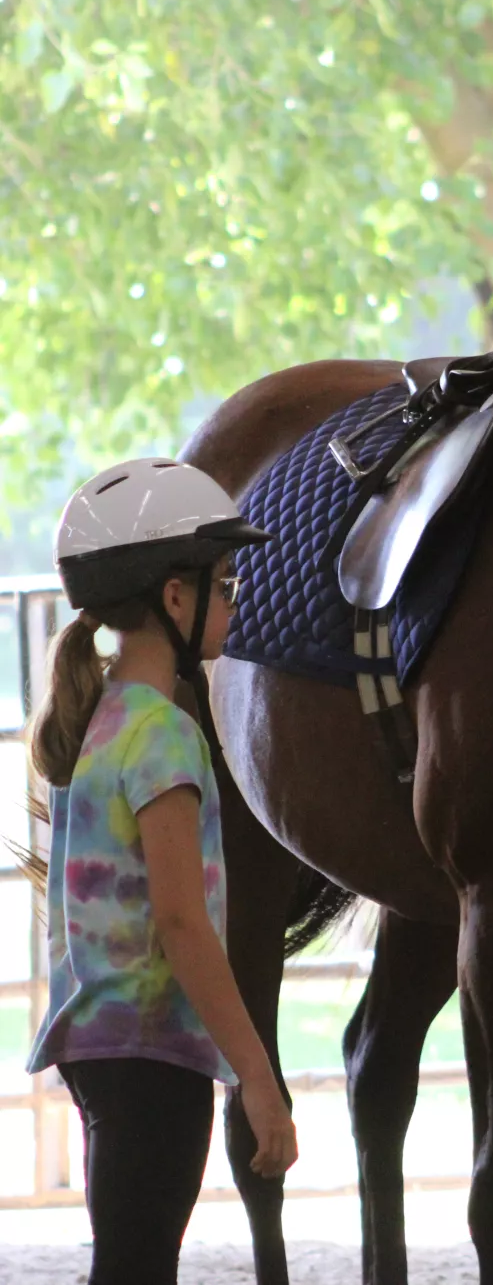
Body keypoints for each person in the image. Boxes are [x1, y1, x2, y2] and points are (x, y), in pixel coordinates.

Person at [25, 457, 298, 1285]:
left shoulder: (107, 719)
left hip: (105, 1046)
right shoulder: (167, 735)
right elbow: (181, 925)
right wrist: (258, 1076)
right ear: (172, 598)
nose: (233, 599)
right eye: (222, 583)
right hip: (151, 1051)